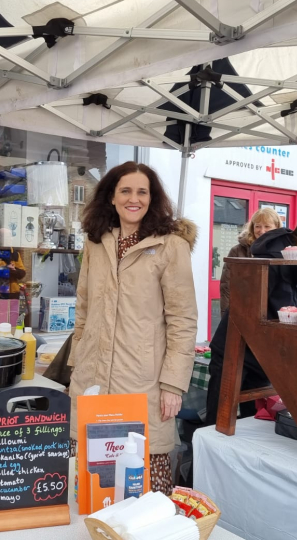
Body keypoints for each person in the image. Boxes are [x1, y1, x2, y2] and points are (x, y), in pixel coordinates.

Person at [67, 162, 198, 495]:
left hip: (143, 380)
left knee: (141, 485)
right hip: (92, 377)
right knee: (91, 486)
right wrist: (77, 362)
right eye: (125, 190)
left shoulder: (171, 246)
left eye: (142, 191)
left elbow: (183, 320)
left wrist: (173, 384)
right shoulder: (96, 241)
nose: (133, 199)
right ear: (112, 196)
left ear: (152, 198)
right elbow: (83, 306)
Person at [205, 214, 297, 425]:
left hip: (261, 351)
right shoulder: (274, 259)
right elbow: (258, 310)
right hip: (236, 349)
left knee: (253, 422)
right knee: (220, 422)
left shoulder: (294, 259)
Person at [220, 208, 281, 313]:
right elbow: (227, 287)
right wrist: (228, 316)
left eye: (267, 226)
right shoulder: (237, 251)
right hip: (244, 311)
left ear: (277, 228)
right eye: (257, 226)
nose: (262, 231)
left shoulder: (285, 251)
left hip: (275, 313)